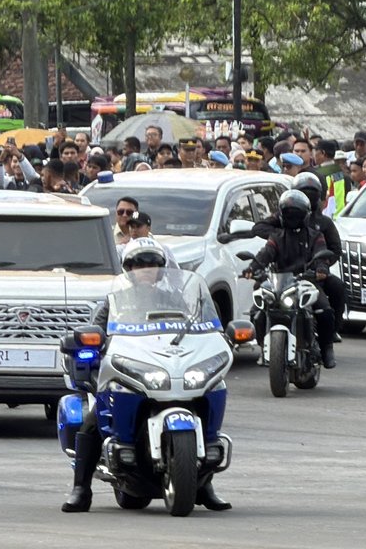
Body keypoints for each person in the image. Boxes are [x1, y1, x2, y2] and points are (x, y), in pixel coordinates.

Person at [65, 240, 232, 513]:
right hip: (131, 371)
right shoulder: (113, 302)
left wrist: (220, 336)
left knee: (211, 391)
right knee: (94, 421)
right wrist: (91, 340)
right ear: (129, 268)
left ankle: (203, 484)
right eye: (140, 264)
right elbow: (95, 330)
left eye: (152, 264)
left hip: (173, 370)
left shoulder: (176, 299)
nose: (146, 269)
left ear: (161, 269)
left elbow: (202, 324)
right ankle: (81, 489)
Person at [243, 190, 336, 369]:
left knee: (325, 312)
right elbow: (265, 254)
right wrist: (252, 268)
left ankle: (326, 349)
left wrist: (322, 268)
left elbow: (321, 254)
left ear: (305, 215)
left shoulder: (315, 236)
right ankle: (264, 347)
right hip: (279, 282)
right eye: (289, 213)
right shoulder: (277, 237)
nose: (292, 217)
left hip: (306, 281)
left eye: (296, 214)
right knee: (257, 311)